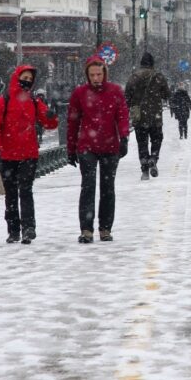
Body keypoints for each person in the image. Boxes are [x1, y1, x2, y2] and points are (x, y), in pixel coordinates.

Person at [0, 65, 58, 244]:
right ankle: (13, 230)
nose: (27, 81)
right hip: (8, 154)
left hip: (28, 153)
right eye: (24, 77)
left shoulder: (33, 100)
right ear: (17, 78)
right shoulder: (5, 100)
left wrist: (51, 115)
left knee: (25, 190)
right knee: (11, 193)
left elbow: (49, 124)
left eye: (30, 78)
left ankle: (28, 228)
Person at [67, 55, 130, 243]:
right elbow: (73, 122)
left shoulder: (115, 91)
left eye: (99, 74)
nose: (96, 78)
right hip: (87, 146)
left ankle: (105, 228)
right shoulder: (79, 93)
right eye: (92, 74)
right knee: (87, 186)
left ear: (104, 74)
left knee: (107, 188)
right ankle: (86, 229)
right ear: (87, 75)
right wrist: (71, 149)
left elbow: (122, 116)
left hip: (110, 146)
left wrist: (124, 137)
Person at [124, 52, 171, 180]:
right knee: (157, 138)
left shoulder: (133, 77)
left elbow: (126, 97)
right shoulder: (158, 76)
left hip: (139, 116)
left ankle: (144, 168)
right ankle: (154, 158)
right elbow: (167, 94)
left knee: (142, 142)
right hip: (155, 115)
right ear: (152, 63)